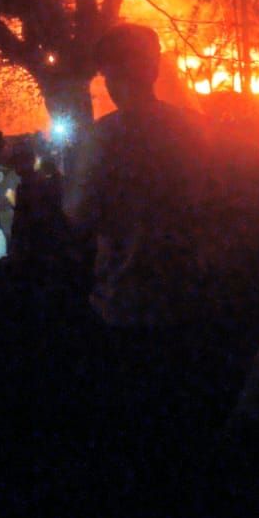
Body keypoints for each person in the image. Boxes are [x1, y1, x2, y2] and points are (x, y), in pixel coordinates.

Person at [64, 22, 209, 330]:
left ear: (111, 78)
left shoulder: (104, 136)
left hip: (127, 298)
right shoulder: (195, 128)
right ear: (153, 71)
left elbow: (78, 215)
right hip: (191, 295)